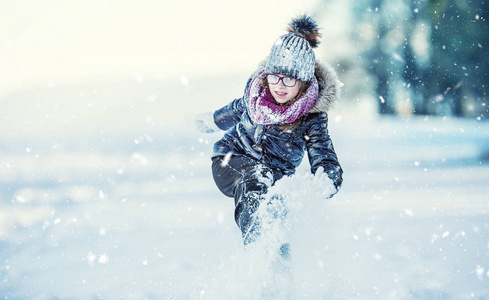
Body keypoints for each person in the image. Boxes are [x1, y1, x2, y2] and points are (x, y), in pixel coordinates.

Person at [195, 15, 343, 248]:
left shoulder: (311, 117)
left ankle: (278, 272)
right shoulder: (257, 95)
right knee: (257, 179)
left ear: (304, 82)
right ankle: (256, 246)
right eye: (274, 76)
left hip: (276, 178)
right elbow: (236, 109)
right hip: (229, 160)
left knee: (278, 215)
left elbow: (322, 149)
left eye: (289, 79)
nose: (279, 85)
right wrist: (212, 121)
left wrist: (327, 176)